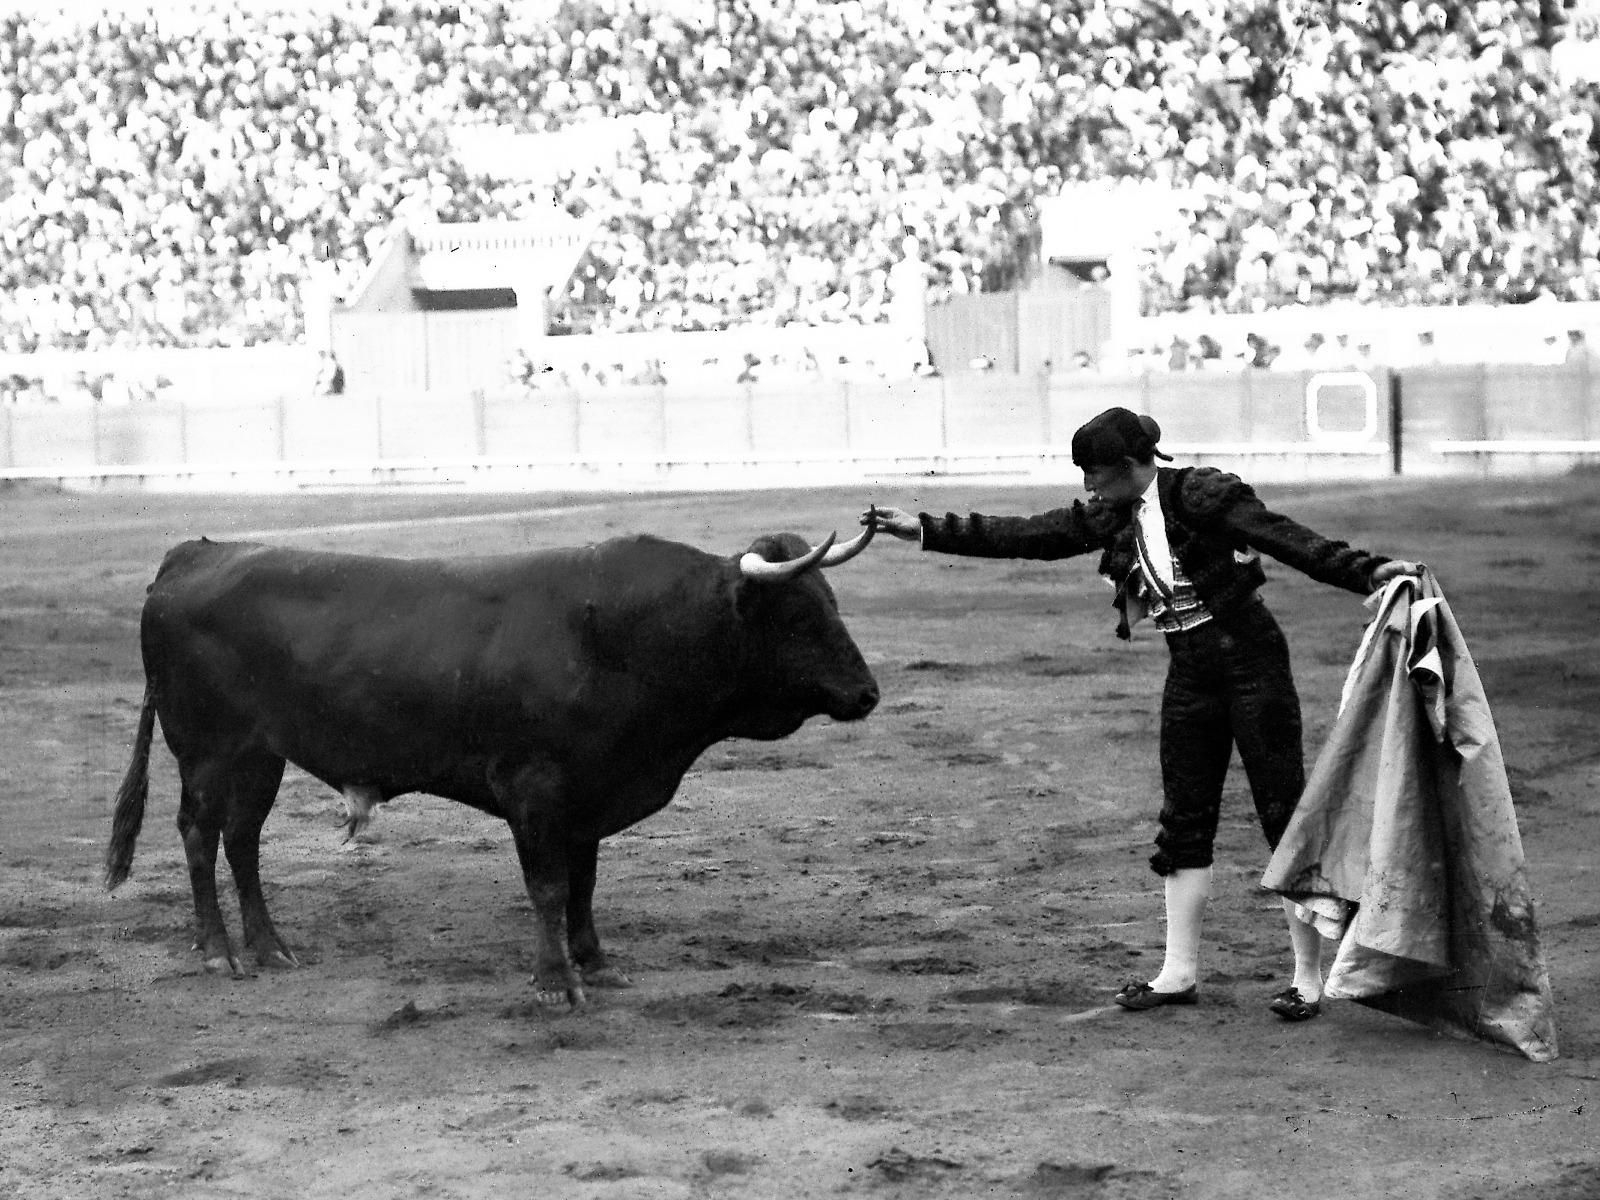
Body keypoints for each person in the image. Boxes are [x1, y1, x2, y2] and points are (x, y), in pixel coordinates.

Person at [863, 408, 1423, 1021]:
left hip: (1251, 662)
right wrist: (919, 529)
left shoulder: (1202, 495)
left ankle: (1307, 978)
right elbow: (1026, 536)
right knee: (1184, 817)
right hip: (1190, 668)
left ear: (1132, 467)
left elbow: (1284, 538)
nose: (1088, 488)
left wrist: (1368, 570)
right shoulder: (1113, 512)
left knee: (1282, 811)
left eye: (1096, 474)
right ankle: (1178, 972)